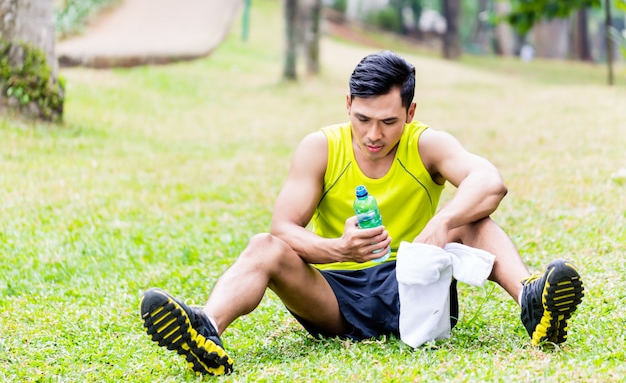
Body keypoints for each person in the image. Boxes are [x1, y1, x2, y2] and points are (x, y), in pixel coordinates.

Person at [139, 50, 584, 376]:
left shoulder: (426, 143)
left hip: (418, 292)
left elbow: (490, 181)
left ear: (410, 112)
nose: (374, 134)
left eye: (389, 122)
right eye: (363, 118)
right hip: (334, 300)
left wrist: (441, 224)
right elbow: (282, 228)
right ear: (347, 104)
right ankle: (206, 331)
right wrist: (336, 248)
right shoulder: (320, 148)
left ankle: (532, 300)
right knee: (263, 247)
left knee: (473, 219)